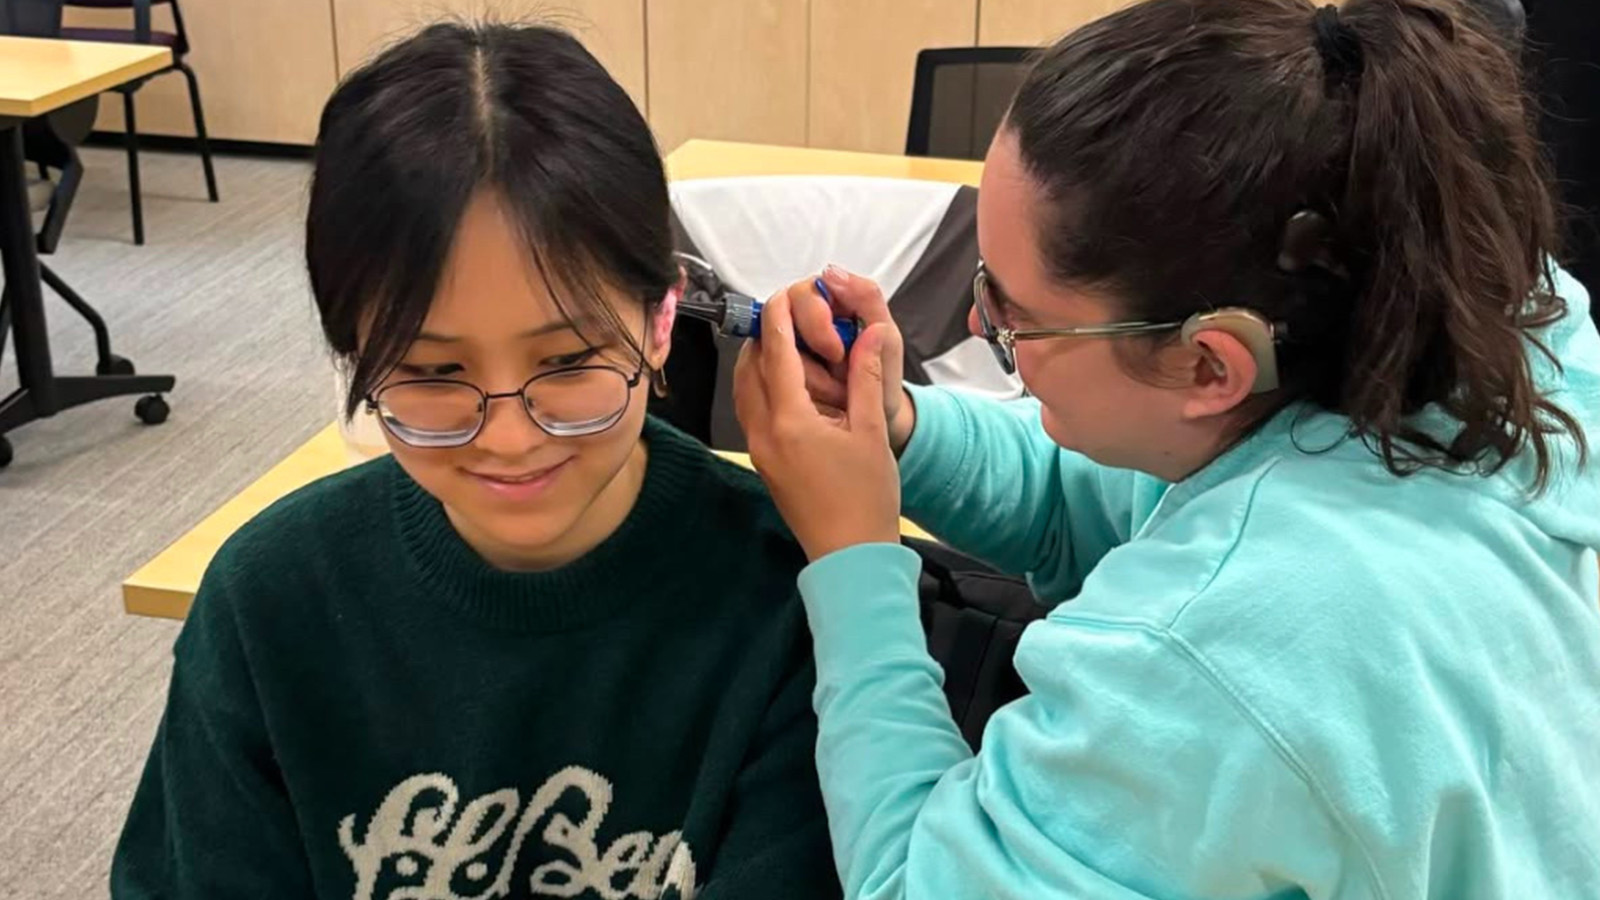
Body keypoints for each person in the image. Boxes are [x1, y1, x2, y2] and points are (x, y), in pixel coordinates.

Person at [735, 0, 1600, 897]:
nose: (973, 320)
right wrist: (903, 428)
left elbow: (915, 884)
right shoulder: (1486, 329)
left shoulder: (1218, 655)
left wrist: (853, 556)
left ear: (1210, 363)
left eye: (1012, 317)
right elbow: (1138, 494)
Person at [111, 22, 838, 900]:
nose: (509, 438)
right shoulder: (270, 603)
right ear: (357, 355)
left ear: (658, 321)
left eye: (568, 363)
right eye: (430, 373)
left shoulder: (788, 599)